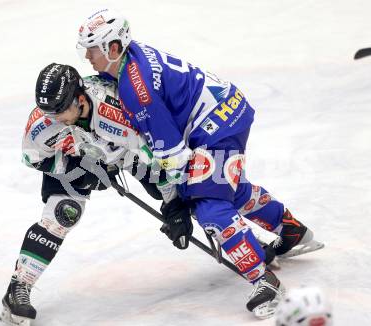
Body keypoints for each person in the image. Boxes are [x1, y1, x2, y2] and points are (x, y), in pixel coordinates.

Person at [76, 8, 323, 318]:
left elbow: (173, 153)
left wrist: (179, 202)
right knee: (227, 190)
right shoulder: (128, 59)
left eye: (92, 48)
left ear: (113, 48)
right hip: (224, 113)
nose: (87, 56)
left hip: (217, 127)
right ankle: (291, 231)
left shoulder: (135, 89)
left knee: (210, 208)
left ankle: (264, 280)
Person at [0, 63, 159, 326]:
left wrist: (173, 199)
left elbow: (151, 145)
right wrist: (78, 172)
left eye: (61, 110)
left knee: (177, 189)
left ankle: (230, 233)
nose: (55, 118)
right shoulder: (42, 124)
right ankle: (19, 287)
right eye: (49, 112)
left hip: (128, 149)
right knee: (64, 213)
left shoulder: (113, 104)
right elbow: (35, 159)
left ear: (80, 98)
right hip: (77, 160)